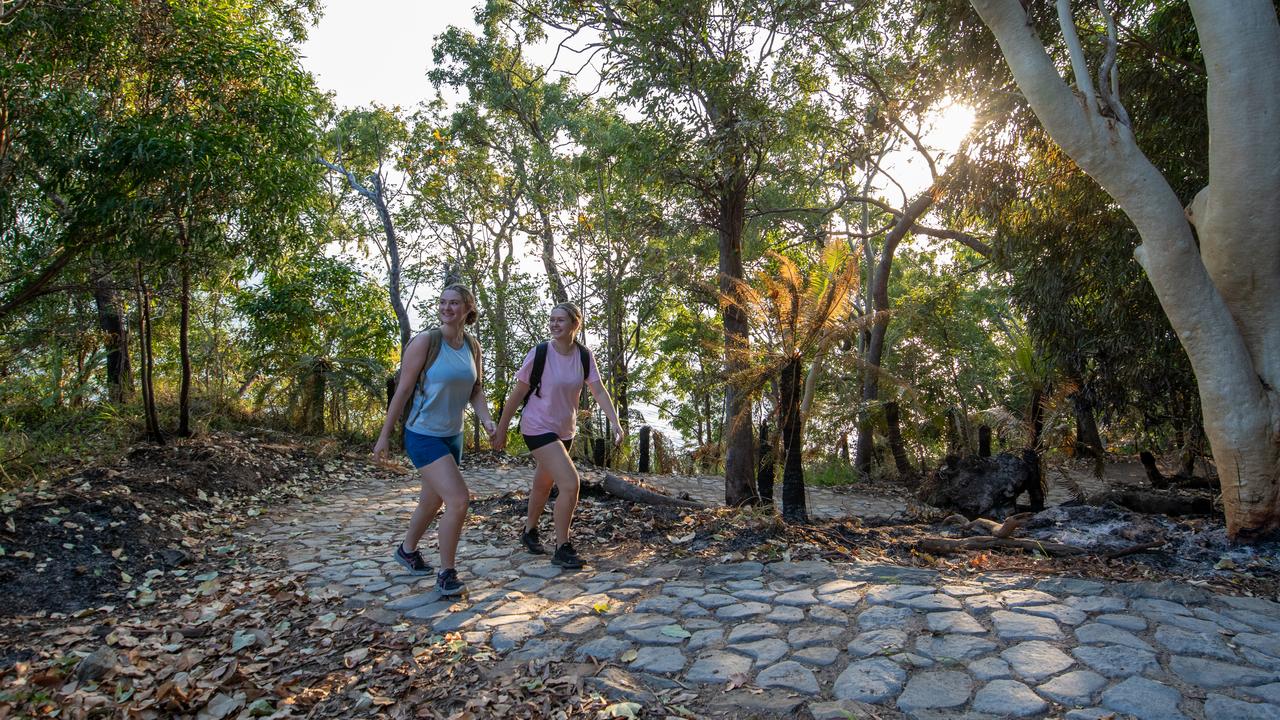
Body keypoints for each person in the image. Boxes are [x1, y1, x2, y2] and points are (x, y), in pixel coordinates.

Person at [374, 284, 496, 596]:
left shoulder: (472, 346)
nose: (446, 308)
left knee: (432, 500)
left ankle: (407, 549)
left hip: (452, 435)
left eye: (454, 303)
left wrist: (487, 420)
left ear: (468, 308)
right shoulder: (426, 342)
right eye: (443, 302)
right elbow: (402, 390)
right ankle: (446, 573)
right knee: (458, 500)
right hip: (422, 434)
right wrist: (384, 436)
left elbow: (476, 389)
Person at [493, 302, 623, 569]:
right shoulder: (540, 353)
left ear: (575, 324)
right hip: (537, 426)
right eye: (552, 319)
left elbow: (598, 390)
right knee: (570, 483)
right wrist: (502, 429)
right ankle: (562, 546)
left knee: (543, 483)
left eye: (560, 320)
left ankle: (529, 532)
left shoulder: (584, 356)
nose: (554, 324)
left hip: (565, 430)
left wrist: (615, 423)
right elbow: (517, 393)